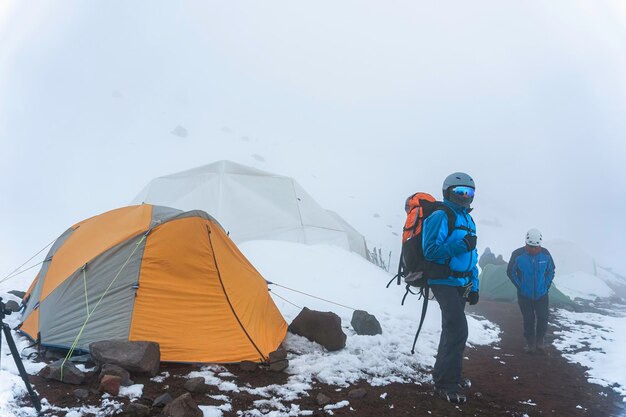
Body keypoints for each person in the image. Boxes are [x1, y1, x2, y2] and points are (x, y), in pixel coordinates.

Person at [422, 172, 479, 404]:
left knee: (451, 329)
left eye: (469, 193)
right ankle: (446, 383)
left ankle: (444, 375)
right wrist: (461, 244)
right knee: (458, 330)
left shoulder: (468, 219)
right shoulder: (440, 215)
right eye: (460, 192)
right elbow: (431, 251)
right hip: (442, 280)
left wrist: (474, 285)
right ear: (448, 192)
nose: (465, 197)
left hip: (460, 282)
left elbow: (472, 257)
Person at [506, 229, 556, 354]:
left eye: (536, 247)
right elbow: (510, 271)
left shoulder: (546, 254)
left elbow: (551, 270)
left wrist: (546, 285)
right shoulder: (517, 254)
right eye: (531, 246)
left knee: (543, 317)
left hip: (542, 294)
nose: (533, 249)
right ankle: (530, 343)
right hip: (524, 294)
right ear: (526, 243)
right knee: (529, 319)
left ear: (540, 244)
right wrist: (520, 286)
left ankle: (540, 342)